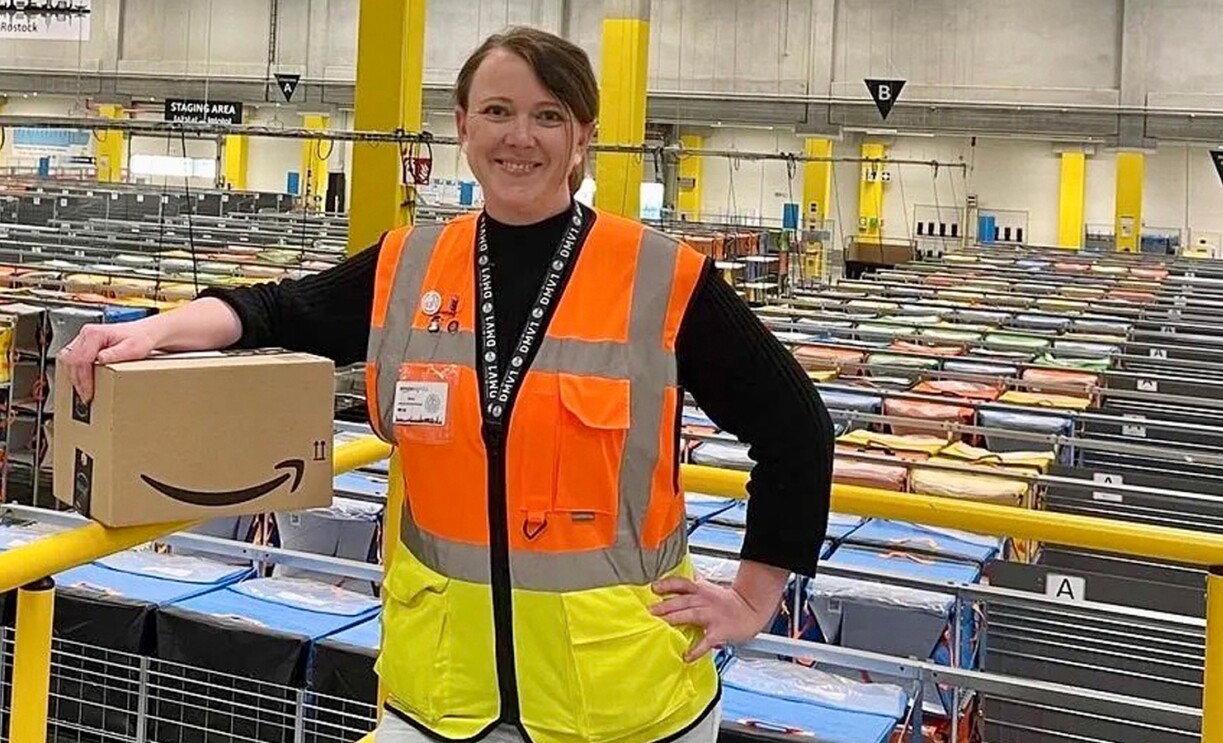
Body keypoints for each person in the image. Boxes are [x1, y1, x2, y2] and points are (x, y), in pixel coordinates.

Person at [58, 26, 833, 743]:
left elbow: (796, 428)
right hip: (440, 697)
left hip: (620, 701)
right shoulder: (411, 264)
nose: (519, 136)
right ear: (462, 125)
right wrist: (152, 329)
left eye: (549, 115)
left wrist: (753, 599)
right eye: (497, 110)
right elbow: (276, 310)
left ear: (583, 137)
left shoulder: (662, 277)